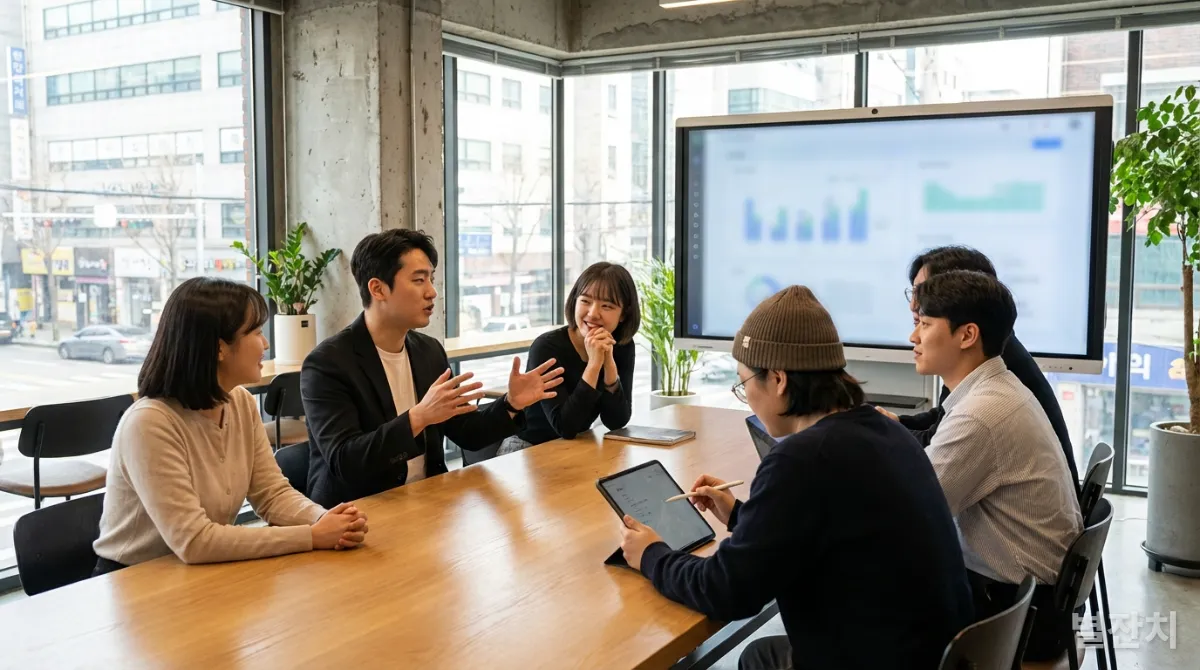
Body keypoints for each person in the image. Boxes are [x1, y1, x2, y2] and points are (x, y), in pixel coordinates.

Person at [618, 286, 973, 670]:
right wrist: (739, 515)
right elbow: (822, 528)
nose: (747, 396)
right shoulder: (886, 431)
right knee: (759, 654)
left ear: (779, 379)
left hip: (876, 657)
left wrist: (651, 555)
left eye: (743, 384)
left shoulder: (803, 458)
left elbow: (727, 591)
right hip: (930, 652)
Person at [93, 278, 368, 574]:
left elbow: (272, 495)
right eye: (257, 332)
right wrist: (311, 536)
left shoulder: (240, 402)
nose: (265, 344)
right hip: (135, 579)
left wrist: (326, 520)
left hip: (200, 571)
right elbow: (195, 540)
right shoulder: (149, 423)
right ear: (219, 348)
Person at [301, 229, 565, 507]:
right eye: (418, 280)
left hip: (429, 501)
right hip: (357, 515)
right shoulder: (327, 364)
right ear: (378, 289)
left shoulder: (428, 350)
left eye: (431, 278)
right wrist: (418, 417)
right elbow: (344, 460)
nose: (432, 292)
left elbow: (466, 433)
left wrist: (511, 404)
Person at [907, 270, 1083, 661]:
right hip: (1033, 600)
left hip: (1017, 617)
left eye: (924, 324)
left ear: (967, 335)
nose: (913, 337)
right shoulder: (996, 389)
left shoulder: (981, 415)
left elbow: (911, 519)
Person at [883, 245, 1080, 488]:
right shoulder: (991, 369)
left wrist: (881, 436)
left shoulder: (981, 411)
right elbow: (942, 421)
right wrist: (897, 423)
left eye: (925, 321)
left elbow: (916, 506)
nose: (914, 304)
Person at [500, 262, 639, 453]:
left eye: (606, 306)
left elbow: (616, 421)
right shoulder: (547, 347)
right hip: (528, 449)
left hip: (577, 446)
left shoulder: (621, 346)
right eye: (585, 301)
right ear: (574, 301)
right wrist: (594, 365)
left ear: (624, 314)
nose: (592, 313)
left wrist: (609, 365)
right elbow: (565, 426)